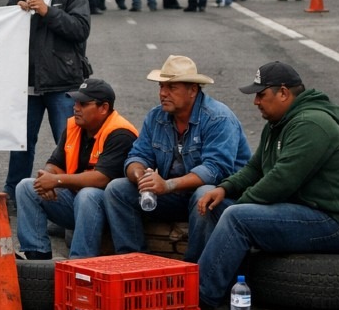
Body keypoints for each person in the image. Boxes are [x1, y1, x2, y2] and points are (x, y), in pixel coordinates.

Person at [194, 61, 339, 307]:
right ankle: (211, 281)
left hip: (335, 222)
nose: (256, 102)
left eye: (261, 94)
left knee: (236, 217)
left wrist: (238, 206)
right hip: (305, 210)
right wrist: (225, 188)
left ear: (283, 92)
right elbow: (255, 168)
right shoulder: (277, 124)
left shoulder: (311, 124)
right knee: (216, 205)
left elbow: (281, 181)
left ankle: (200, 295)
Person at [103, 55, 252, 262]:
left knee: (204, 193)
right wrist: (140, 176)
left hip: (221, 199)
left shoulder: (219, 118)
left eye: (172, 88)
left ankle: (194, 271)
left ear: (192, 90)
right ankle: (135, 262)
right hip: (176, 195)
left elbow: (215, 170)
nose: (163, 93)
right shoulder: (156, 116)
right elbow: (137, 155)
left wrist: (168, 185)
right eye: (162, 87)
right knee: (116, 189)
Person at [5, 0, 91, 202]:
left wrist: (48, 12)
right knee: (21, 142)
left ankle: (69, 196)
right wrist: (15, 15)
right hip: (28, 82)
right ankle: (14, 193)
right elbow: (3, 29)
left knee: (67, 143)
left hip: (62, 83)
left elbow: (80, 29)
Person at [15, 79, 137, 260]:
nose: (75, 107)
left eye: (83, 104)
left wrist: (56, 181)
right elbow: (55, 164)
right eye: (76, 102)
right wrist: (46, 177)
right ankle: (36, 256)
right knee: (26, 186)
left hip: (111, 211)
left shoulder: (120, 133)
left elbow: (101, 179)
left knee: (87, 194)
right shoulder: (75, 126)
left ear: (103, 108)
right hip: (77, 203)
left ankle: (79, 261)